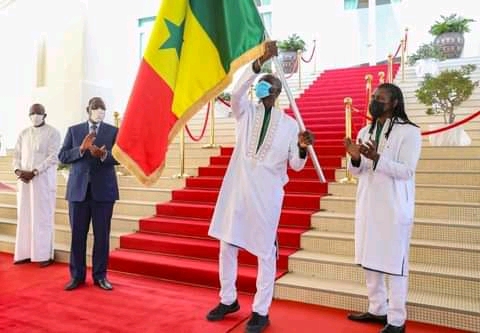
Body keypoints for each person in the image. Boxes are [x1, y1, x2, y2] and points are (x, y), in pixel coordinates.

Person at [206, 41, 314, 333]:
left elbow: (296, 165)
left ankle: (261, 309)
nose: (262, 90)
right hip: (238, 190)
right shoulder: (246, 113)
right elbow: (237, 91)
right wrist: (259, 64)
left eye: (268, 87)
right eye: (261, 86)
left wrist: (302, 148)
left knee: (265, 253)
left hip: (267, 196)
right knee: (227, 245)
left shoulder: (291, 126)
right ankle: (228, 299)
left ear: (278, 94)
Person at [344, 83, 422, 333]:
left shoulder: (409, 132)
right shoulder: (365, 130)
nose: (375, 101)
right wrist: (356, 157)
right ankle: (378, 309)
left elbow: (407, 171)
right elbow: (356, 171)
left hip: (393, 207)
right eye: (373, 97)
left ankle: (397, 320)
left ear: (394, 103)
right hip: (368, 204)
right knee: (370, 260)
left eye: (381, 98)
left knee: (395, 264)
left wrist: (378, 158)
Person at [58, 97, 119, 291]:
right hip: (78, 192)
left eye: (103, 108)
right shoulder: (74, 130)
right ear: (88, 110)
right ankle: (77, 277)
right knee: (77, 236)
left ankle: (100, 276)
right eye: (96, 108)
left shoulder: (113, 131)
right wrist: (81, 149)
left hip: (103, 192)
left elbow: (121, 156)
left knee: (102, 236)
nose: (99, 111)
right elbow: (63, 156)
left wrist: (104, 156)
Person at [12, 103, 61, 267]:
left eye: (38, 113)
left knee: (42, 217)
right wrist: (19, 171)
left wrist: (34, 172)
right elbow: (16, 155)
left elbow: (53, 156)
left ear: (45, 115)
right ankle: (25, 253)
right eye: (32, 113)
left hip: (42, 181)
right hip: (24, 182)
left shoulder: (53, 132)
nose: (35, 115)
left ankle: (43, 255)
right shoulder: (23, 133)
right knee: (25, 216)